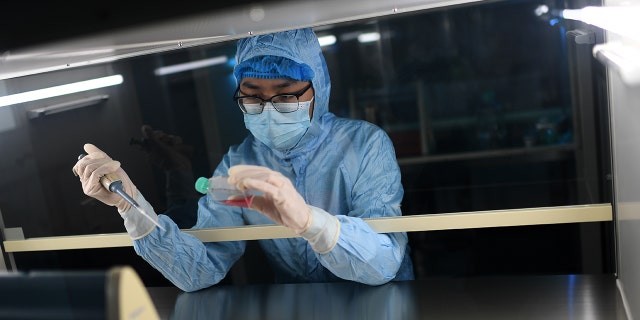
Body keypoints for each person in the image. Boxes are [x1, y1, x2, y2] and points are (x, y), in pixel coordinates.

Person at [73, 27, 414, 292]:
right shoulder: (239, 164)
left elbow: (384, 261)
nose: (268, 110)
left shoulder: (365, 145)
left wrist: (311, 222)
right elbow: (201, 267)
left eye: (285, 95)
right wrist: (131, 205)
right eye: (252, 98)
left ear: (318, 88)